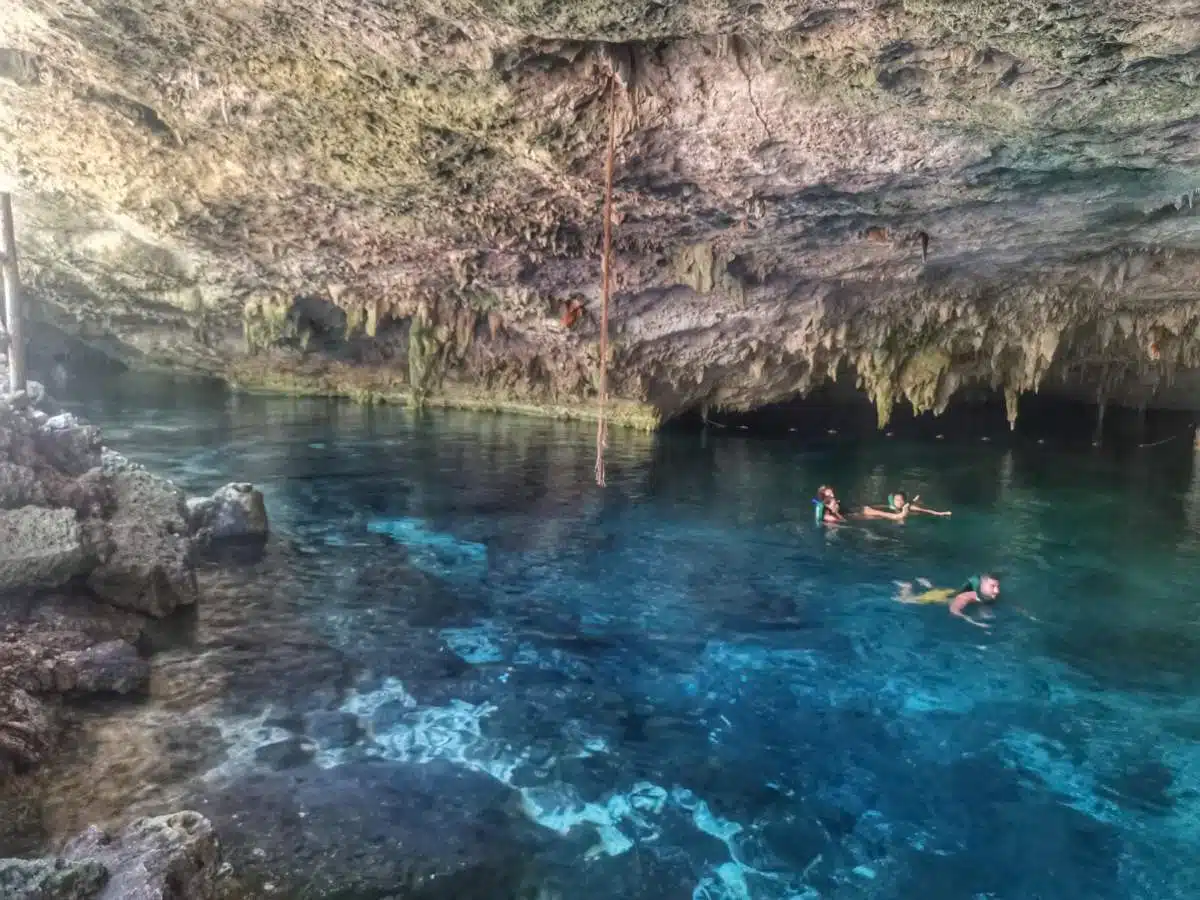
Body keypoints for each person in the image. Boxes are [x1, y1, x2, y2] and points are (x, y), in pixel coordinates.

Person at [895, 573, 1001, 628]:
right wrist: (972, 621)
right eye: (992, 587)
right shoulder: (965, 597)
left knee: (940, 592)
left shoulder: (981, 595)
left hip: (950, 593)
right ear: (981, 586)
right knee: (904, 600)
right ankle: (906, 587)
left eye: (997, 586)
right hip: (940, 598)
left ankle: (928, 586)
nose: (997, 591)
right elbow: (954, 610)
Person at [863, 491, 951, 519]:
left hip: (904, 511)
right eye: (896, 500)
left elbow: (926, 511)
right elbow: (880, 506)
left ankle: (914, 500)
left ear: (904, 501)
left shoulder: (909, 507)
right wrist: (870, 507)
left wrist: (940, 513)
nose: (898, 502)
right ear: (893, 501)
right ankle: (914, 500)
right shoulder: (891, 506)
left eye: (900, 500)